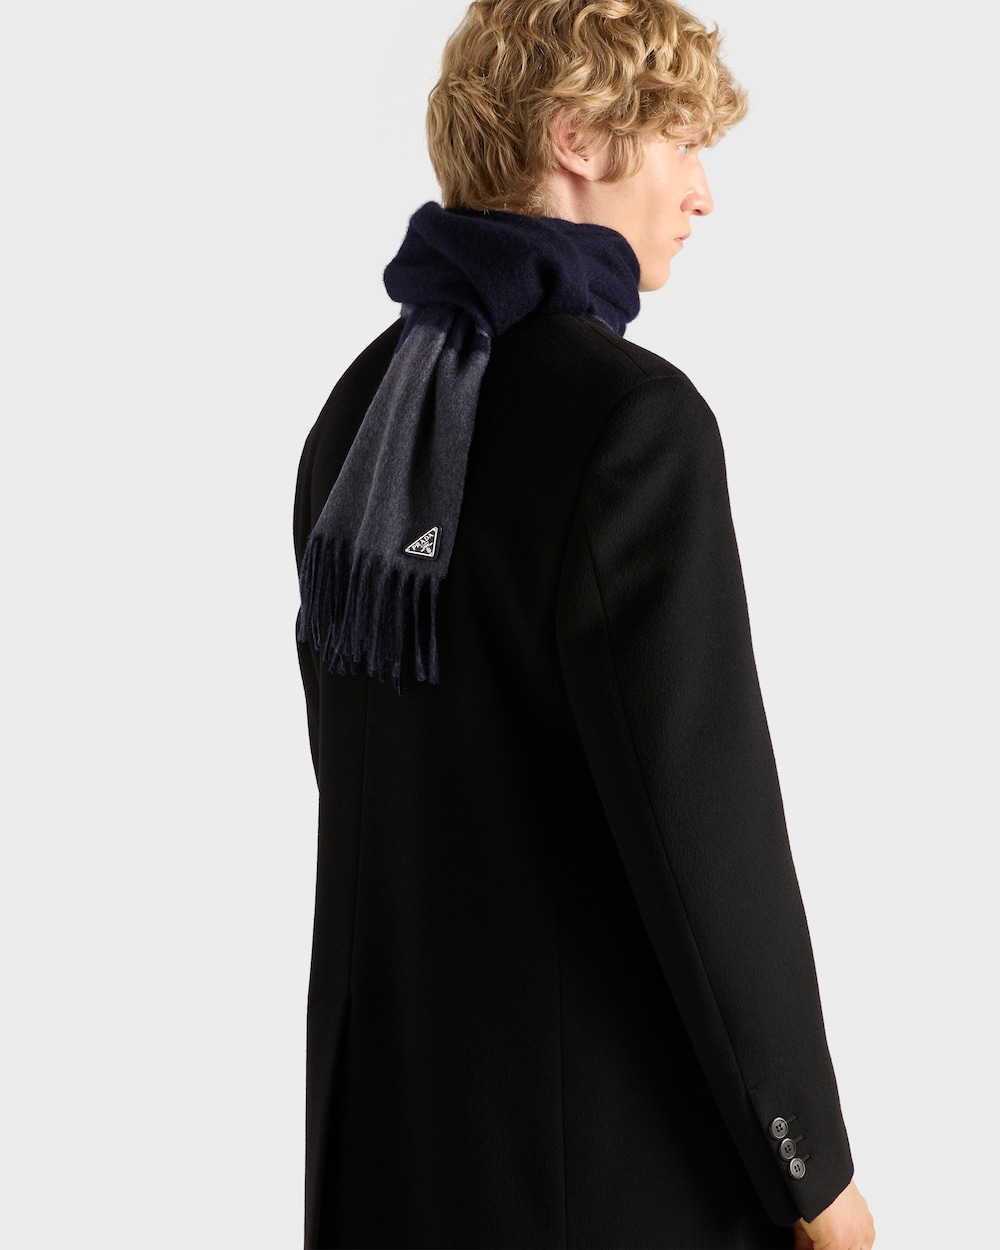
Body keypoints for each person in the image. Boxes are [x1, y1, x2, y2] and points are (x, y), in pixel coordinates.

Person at [293, 1, 876, 1247]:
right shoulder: (629, 422)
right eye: (680, 142)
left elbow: (364, 793)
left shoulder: (358, 419)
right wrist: (810, 1165)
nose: (702, 192)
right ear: (576, 137)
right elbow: (701, 828)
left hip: (385, 1154)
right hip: (599, 1172)